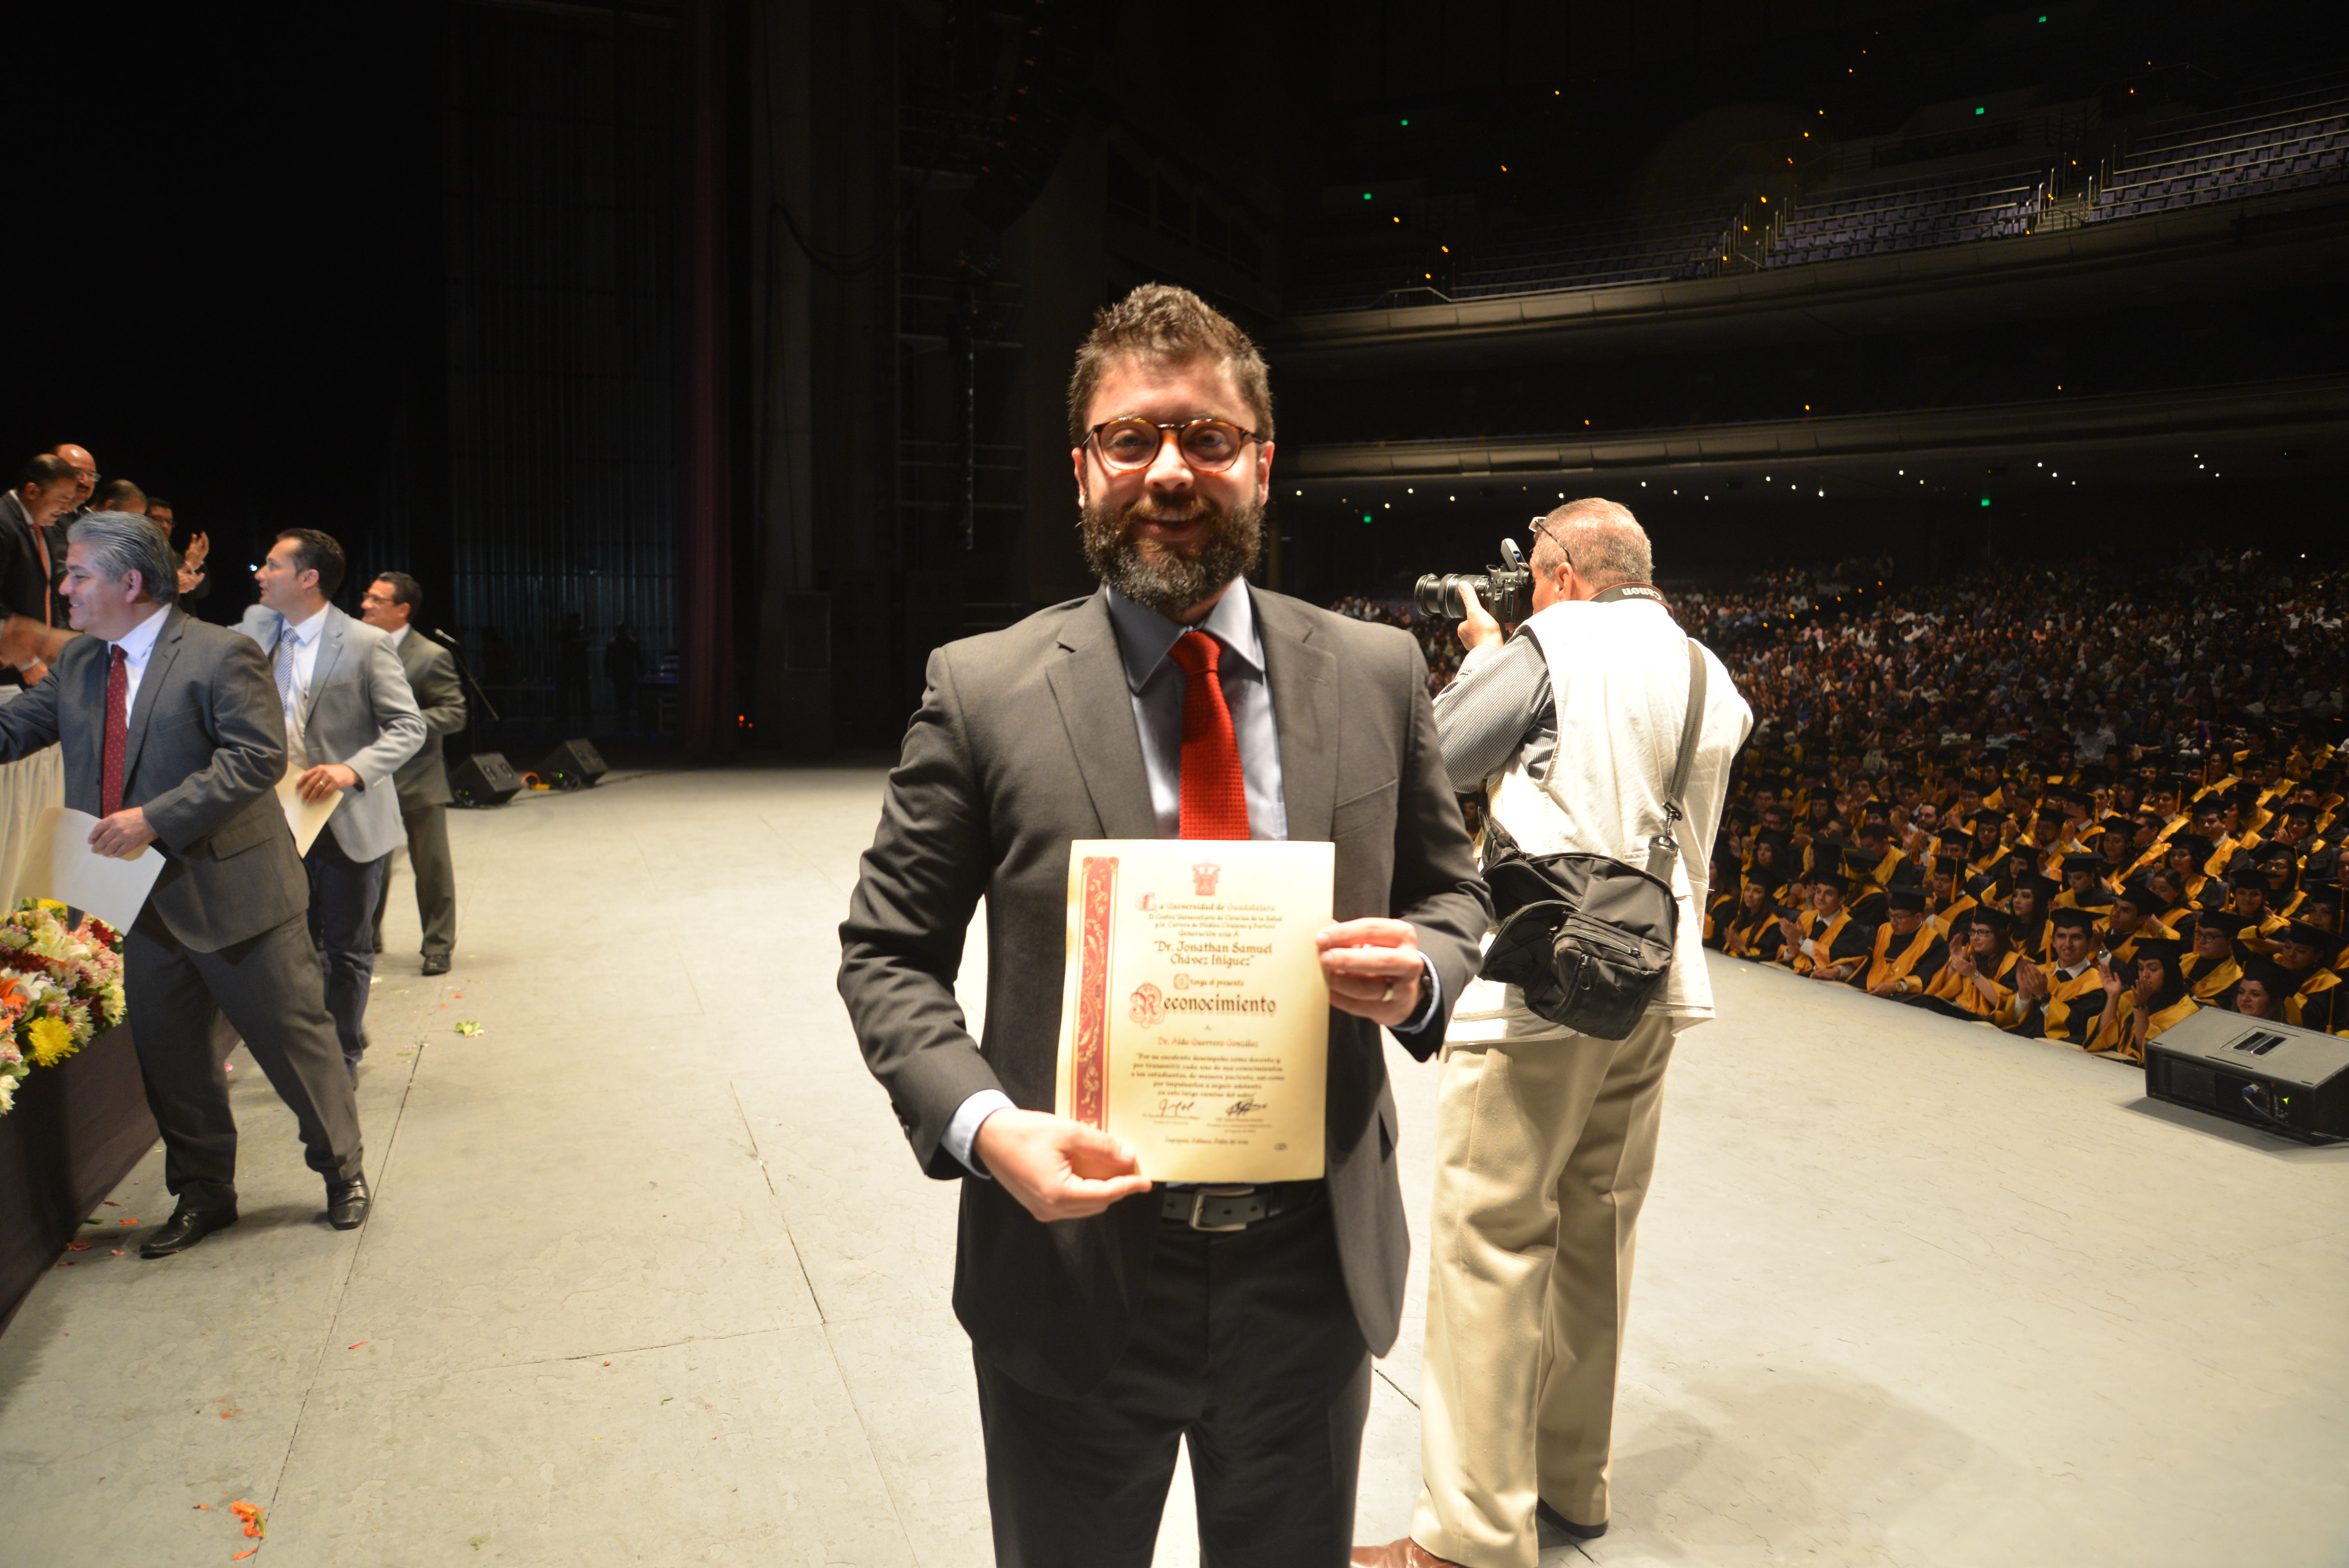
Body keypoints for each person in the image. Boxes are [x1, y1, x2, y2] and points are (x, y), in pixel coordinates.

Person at [836, 283, 1489, 1568]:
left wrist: (1422, 968)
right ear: (1081, 468)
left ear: (1261, 462)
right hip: (1068, 1272)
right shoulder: (982, 690)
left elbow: (1453, 891)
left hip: (1307, 1274)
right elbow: (887, 949)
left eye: (1207, 437)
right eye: (1131, 440)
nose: (1169, 471)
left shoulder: (1374, 672)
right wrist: (985, 1124)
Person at [1371, 496, 1751, 1566]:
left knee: (1492, 1244)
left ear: (1561, 572)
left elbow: (1436, 758)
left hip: (1543, 980)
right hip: (1656, 980)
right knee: (1598, 1239)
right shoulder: (1707, 671)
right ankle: (1572, 1484)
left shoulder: (1554, 638)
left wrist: (1490, 656)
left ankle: (1470, 1535)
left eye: (1536, 575)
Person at [0, 512, 368, 1252]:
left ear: (129, 582)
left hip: (239, 897)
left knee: (295, 1048)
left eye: (76, 576)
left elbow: (256, 759)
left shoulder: (218, 653)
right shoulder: (81, 665)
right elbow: (14, 731)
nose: (64, 591)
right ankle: (204, 1195)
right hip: (141, 904)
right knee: (173, 1063)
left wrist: (153, 819)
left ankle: (342, 1171)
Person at [238, 530, 425, 1076]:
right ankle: (304, 1042)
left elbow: (408, 727)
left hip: (348, 820)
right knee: (289, 947)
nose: (260, 574)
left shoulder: (366, 642)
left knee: (345, 948)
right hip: (279, 819)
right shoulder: (256, 633)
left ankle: (340, 1054)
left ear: (308, 578)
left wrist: (352, 769)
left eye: (272, 565)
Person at [361, 572, 466, 975]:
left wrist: (402, 723)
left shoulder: (430, 655)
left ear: (401, 609)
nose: (366, 605)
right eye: (366, 597)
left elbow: (454, 713)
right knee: (369, 865)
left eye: (376, 599)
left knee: (432, 867)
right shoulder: (357, 647)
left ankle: (437, 946)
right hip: (370, 777)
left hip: (418, 778)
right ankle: (366, 936)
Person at [0, 454, 77, 685]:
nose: (67, 509)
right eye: (63, 499)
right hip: (11, 664)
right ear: (33, 491)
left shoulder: (42, 526)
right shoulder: (3, 523)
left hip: (38, 664)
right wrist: (28, 662)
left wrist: (52, 651)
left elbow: (48, 593)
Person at [2007, 907, 2111, 1046]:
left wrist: (2044, 996)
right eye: (2062, 936)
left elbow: (2077, 1029)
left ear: (2090, 943)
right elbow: (2013, 1020)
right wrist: (2024, 994)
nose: (2067, 944)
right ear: (2053, 941)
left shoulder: (2098, 985)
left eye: (2076, 937)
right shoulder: (2039, 972)